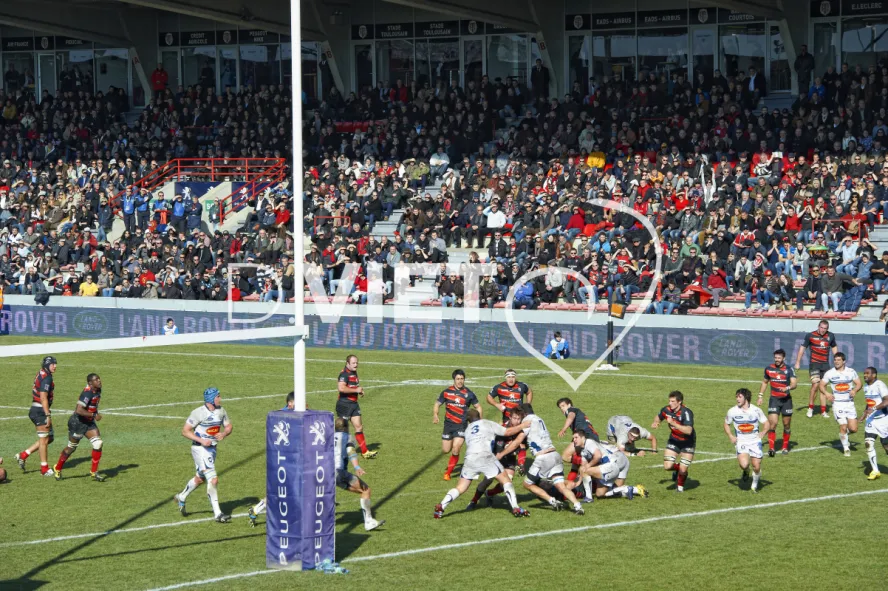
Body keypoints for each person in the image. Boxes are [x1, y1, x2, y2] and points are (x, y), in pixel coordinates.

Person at [434, 409, 529, 519]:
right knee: (506, 480)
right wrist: (523, 425)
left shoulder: (468, 430)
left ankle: (441, 506)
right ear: (479, 416)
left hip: (470, 458)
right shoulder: (487, 423)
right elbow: (507, 432)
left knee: (460, 488)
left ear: (468, 420)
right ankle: (516, 507)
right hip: (485, 456)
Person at [502, 404, 585, 514]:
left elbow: (517, 442)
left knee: (527, 484)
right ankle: (577, 505)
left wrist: (502, 453)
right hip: (555, 455)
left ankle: (552, 501)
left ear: (524, 414)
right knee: (561, 487)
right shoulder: (539, 419)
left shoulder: (527, 421)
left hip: (544, 457)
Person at [174, 387, 233, 523]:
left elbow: (229, 426)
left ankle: (182, 496)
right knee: (213, 480)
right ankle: (218, 514)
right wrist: (201, 440)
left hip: (212, 450)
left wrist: (224, 433)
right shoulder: (198, 413)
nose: (220, 398)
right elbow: (185, 431)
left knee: (200, 478)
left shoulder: (221, 410)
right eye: (218, 396)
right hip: (200, 449)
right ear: (211, 399)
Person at [248, 392, 296, 526]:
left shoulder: (284, 415)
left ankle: (256, 510)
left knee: (284, 489)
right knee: (283, 489)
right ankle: (257, 510)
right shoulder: (282, 416)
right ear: (290, 403)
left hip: (288, 458)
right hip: (283, 459)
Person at [53, 373, 106, 481]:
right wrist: (94, 415)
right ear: (90, 383)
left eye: (99, 379)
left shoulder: (98, 390)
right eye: (96, 380)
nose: (99, 381)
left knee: (98, 443)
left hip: (89, 423)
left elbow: (93, 405)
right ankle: (57, 468)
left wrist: (93, 414)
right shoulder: (87, 393)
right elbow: (79, 410)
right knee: (71, 448)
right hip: (78, 423)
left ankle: (94, 472)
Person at [334, 418, 385, 530]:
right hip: (339, 472)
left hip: (323, 474)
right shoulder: (348, 437)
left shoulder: (327, 437)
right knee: (365, 490)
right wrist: (357, 467)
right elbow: (351, 452)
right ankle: (369, 522)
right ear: (346, 427)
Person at [433, 369, 482, 480]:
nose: (460, 381)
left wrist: (479, 421)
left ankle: (448, 473)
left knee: (456, 448)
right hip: (448, 425)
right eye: (458, 379)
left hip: (461, 425)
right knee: (446, 450)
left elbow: (478, 406)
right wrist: (435, 415)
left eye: (462, 379)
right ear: (454, 380)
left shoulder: (469, 393)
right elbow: (437, 403)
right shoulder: (447, 392)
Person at [571, 430, 648, 500]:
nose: (574, 440)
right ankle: (633, 489)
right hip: (618, 462)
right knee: (602, 493)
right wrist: (578, 482)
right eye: (573, 438)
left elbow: (597, 457)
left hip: (614, 461)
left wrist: (588, 468)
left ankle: (588, 498)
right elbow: (583, 468)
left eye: (576, 438)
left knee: (593, 474)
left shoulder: (589, 444)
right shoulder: (585, 449)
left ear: (583, 437)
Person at [15, 356, 58, 476]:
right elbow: (43, 397)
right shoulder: (47, 378)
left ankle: (23, 455)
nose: (55, 366)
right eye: (52, 364)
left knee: (49, 438)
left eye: (55, 364)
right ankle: (44, 469)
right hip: (40, 411)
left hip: (37, 409)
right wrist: (47, 414)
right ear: (47, 365)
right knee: (44, 440)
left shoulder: (42, 373)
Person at [724, 388, 769, 492]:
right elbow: (726, 423)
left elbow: (766, 423)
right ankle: (746, 471)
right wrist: (730, 436)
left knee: (756, 466)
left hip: (755, 441)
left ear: (746, 398)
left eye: (740, 397)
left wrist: (764, 432)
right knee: (744, 465)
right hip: (741, 441)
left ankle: (754, 483)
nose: (737, 399)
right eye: (736, 397)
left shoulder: (756, 410)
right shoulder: (732, 411)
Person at [487, 369, 533, 467]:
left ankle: (520, 465)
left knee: (521, 442)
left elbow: (529, 392)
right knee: (503, 442)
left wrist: (527, 405)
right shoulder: (499, 387)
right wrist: (497, 405)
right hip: (506, 421)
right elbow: (489, 397)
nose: (511, 379)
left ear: (515, 377)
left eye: (513, 377)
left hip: (520, 421)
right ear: (505, 378)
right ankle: (501, 462)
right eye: (509, 377)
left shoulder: (522, 386)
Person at [819, 353, 862, 457]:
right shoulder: (830, 373)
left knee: (853, 429)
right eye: (835, 360)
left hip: (849, 403)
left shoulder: (851, 372)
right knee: (843, 425)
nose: (836, 362)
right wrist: (827, 393)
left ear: (844, 361)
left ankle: (844, 434)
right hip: (837, 404)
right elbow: (821, 385)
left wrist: (855, 390)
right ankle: (846, 449)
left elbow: (859, 383)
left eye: (839, 360)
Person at [652, 391, 695, 493]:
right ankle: (678, 469)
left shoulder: (686, 412)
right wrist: (656, 422)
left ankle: (680, 488)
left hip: (687, 442)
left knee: (683, 470)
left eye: (672, 401)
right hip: (674, 440)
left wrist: (673, 423)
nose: (670, 403)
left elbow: (689, 431)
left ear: (679, 402)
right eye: (669, 401)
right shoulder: (666, 410)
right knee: (667, 466)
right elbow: (658, 417)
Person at [758, 348, 798, 457]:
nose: (777, 359)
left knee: (786, 425)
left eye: (779, 358)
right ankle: (771, 448)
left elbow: (794, 384)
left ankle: (785, 447)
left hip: (786, 401)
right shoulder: (769, 369)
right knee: (773, 424)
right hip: (774, 400)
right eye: (775, 357)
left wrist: (787, 388)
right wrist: (760, 396)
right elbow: (765, 382)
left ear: (784, 358)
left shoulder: (789, 369)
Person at [794, 320, 838, 418]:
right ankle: (810, 408)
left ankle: (823, 411)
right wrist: (797, 362)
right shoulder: (810, 335)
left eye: (825, 328)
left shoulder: (831, 336)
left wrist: (837, 360)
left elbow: (834, 347)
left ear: (827, 329)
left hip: (825, 365)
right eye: (821, 327)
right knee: (815, 384)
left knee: (823, 387)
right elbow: (802, 348)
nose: (823, 330)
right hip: (814, 364)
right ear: (818, 326)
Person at [337, 354, 377, 459]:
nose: (356, 365)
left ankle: (365, 452)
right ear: (347, 363)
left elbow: (352, 386)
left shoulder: (353, 372)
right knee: (342, 429)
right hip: (344, 405)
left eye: (357, 363)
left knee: (359, 427)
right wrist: (356, 390)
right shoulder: (344, 374)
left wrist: (359, 391)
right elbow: (341, 388)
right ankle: (337, 450)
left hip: (354, 404)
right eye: (353, 363)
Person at [556, 397, 599, 485]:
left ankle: (589, 463)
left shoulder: (571, 410)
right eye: (560, 407)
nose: (562, 409)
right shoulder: (579, 413)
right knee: (575, 462)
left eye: (563, 406)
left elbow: (570, 417)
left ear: (569, 405)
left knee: (566, 456)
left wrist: (563, 429)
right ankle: (571, 484)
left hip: (586, 436)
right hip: (589, 436)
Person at [862, 367, 888, 480]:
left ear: (874, 375)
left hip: (883, 419)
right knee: (868, 443)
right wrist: (865, 413)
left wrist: (873, 409)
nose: (865, 375)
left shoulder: (880, 385)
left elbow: (887, 401)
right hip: (871, 419)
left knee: (886, 445)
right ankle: (875, 471)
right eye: (864, 373)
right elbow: (869, 403)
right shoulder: (866, 387)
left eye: (867, 373)